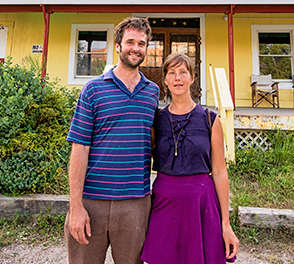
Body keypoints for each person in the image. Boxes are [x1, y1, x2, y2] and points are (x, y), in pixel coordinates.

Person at [65, 17, 159, 264]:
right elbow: (79, 148)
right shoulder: (93, 90)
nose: (136, 48)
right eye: (130, 42)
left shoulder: (152, 92)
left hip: (135, 203)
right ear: (117, 45)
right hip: (91, 201)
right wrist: (76, 207)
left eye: (141, 43)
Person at [141, 53, 239, 264]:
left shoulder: (210, 120)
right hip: (164, 204)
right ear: (165, 80)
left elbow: (220, 172)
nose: (178, 78)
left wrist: (226, 224)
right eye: (172, 73)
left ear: (192, 78)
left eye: (183, 72)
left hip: (201, 203)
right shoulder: (156, 120)